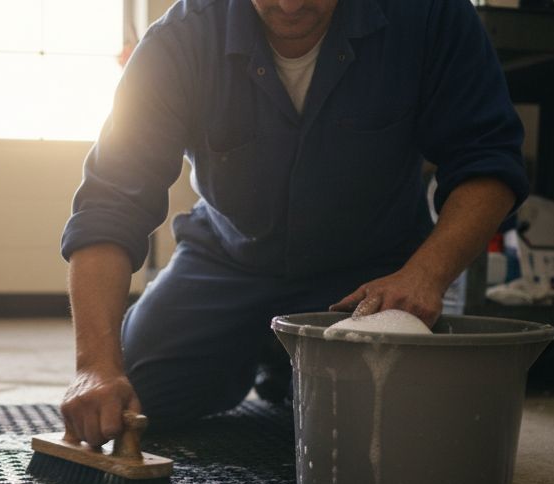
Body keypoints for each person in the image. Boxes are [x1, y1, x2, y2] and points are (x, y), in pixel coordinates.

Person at [59, 0, 527, 447]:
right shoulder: (179, 39)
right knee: (133, 392)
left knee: (398, 417)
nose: (288, 7)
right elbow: (110, 201)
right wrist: (95, 366)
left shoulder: (430, 16)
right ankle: (272, 354)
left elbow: (488, 160)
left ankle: (287, 367)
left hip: (368, 272)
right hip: (227, 259)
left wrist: (425, 275)